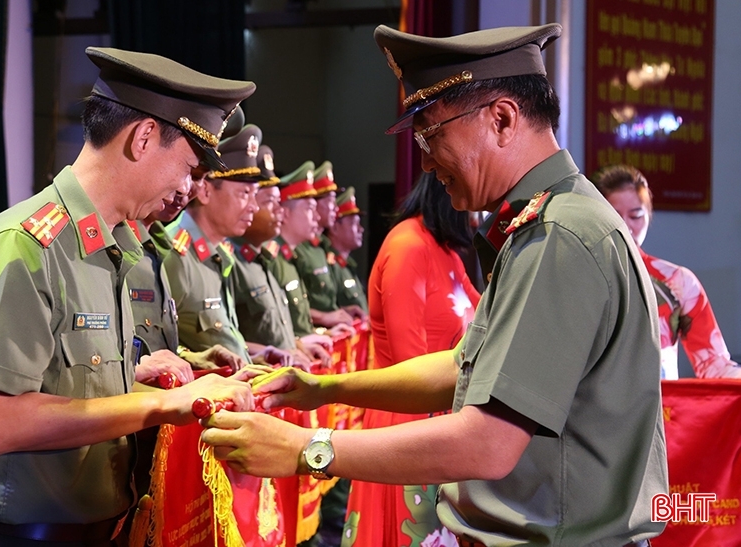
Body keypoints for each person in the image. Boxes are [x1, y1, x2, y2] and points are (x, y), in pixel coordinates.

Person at [202, 23, 668, 547]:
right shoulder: (546, 224)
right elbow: (463, 366)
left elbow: (489, 443)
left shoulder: (559, 234)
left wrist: (308, 449)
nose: (424, 162)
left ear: (502, 119)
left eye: (432, 135)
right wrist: (322, 390)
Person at [0, 47, 257, 547]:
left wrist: (145, 379)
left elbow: (70, 383)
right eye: (188, 166)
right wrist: (165, 405)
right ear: (143, 138)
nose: (187, 187)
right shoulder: (27, 245)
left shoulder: (115, 250)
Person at [344, 171, 480, 547]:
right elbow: (410, 364)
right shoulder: (409, 247)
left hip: (444, 421)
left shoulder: (448, 252)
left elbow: (488, 319)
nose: (477, 216)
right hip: (407, 421)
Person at [591, 164, 741, 380]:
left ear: (648, 217)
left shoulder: (678, 282)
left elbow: (713, 365)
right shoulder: (577, 277)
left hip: (662, 409)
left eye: (635, 216)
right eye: (613, 217)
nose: (625, 227)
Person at [163, 124, 292, 369]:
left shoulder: (220, 255)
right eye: (245, 193)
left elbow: (219, 339)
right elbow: (156, 348)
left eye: (255, 195)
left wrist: (254, 353)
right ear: (206, 191)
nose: (254, 207)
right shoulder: (175, 254)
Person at [230, 144, 332, 369]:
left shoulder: (260, 259)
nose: (279, 211)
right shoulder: (231, 259)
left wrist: (295, 344)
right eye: (269, 203)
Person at [270, 162, 354, 338]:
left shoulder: (289, 258)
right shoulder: (273, 258)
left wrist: (322, 332)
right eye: (309, 209)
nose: (316, 217)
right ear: (285, 213)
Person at [325, 188, 369, 314]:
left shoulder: (347, 264)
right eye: (354, 224)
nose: (361, 229)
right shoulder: (329, 265)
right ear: (334, 228)